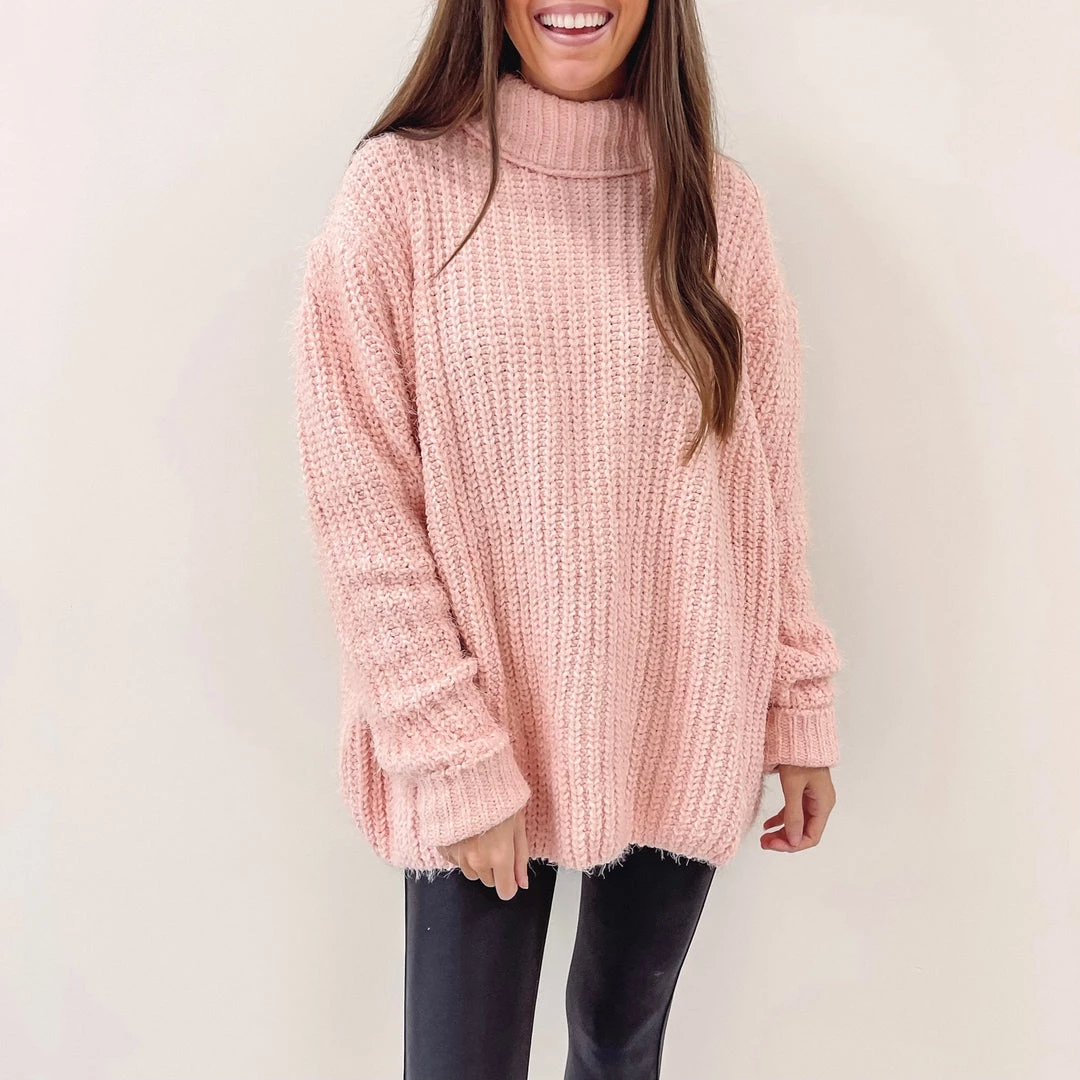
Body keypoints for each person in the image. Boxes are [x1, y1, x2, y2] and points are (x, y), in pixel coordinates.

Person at [292, 1, 844, 1077]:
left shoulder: (718, 206)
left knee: (620, 1051)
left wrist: (798, 701)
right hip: (478, 730)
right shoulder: (402, 192)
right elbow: (361, 504)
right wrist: (450, 755)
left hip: (680, 709)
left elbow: (764, 484)